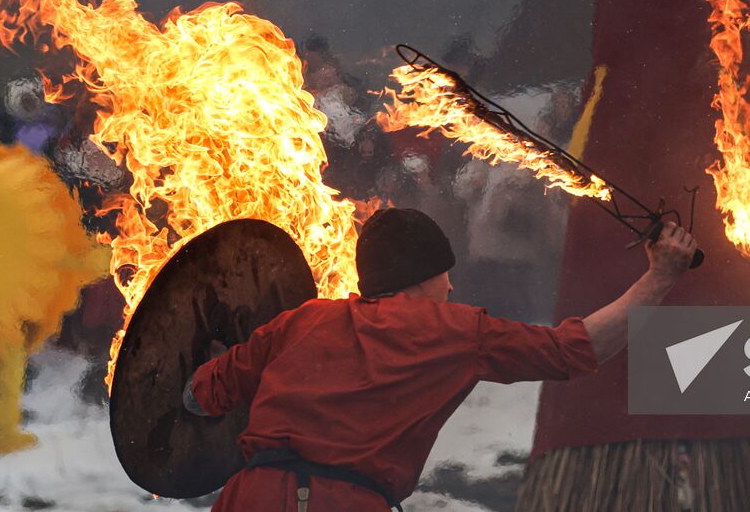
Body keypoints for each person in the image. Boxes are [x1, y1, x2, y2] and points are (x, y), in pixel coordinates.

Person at [185, 207, 698, 512]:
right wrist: (660, 278)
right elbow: (577, 349)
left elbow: (200, 396)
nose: (452, 285)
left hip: (245, 499)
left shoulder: (301, 320)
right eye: (444, 274)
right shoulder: (455, 332)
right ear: (425, 275)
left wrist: (217, 354)